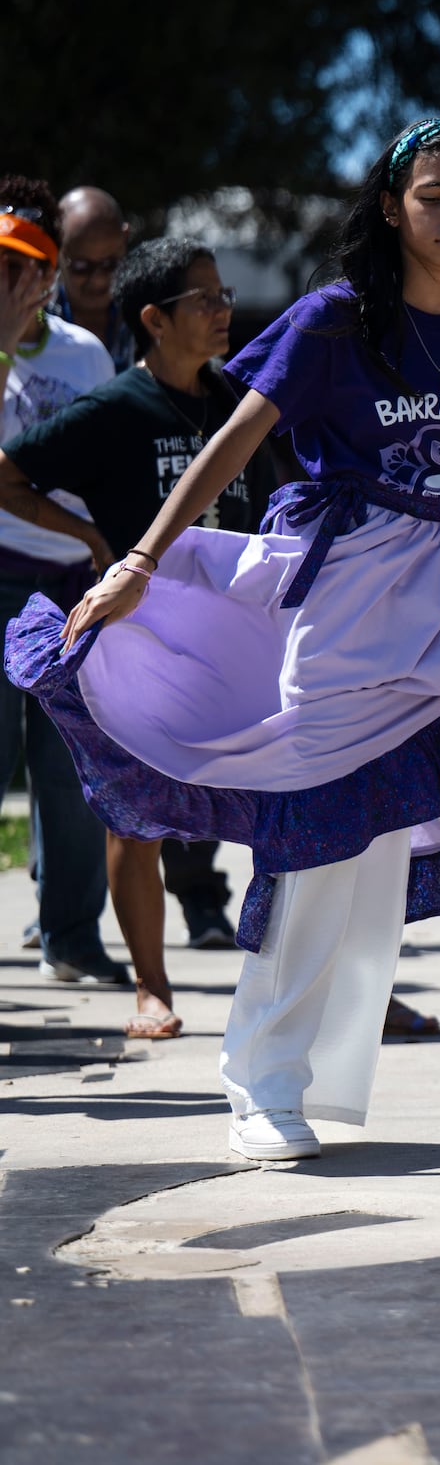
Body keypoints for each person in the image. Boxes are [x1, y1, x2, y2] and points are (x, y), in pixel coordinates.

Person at [7, 114, 440, 1163]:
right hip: (353, 608)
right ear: (390, 206)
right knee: (327, 851)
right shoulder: (336, 321)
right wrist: (142, 558)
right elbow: (237, 436)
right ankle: (265, 1084)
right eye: (434, 197)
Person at [0, 237, 281, 1035]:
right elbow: (8, 473)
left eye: (225, 295)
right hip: (143, 646)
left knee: (298, 809)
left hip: (243, 640)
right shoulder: (117, 408)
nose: (223, 310)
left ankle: (332, 987)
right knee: (136, 818)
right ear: (155, 319)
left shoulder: (240, 403)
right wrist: (92, 540)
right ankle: (152, 989)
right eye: (205, 298)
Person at [0, 177, 118, 985]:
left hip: (69, 581)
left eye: (24, 266)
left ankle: (71, 935)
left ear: (49, 275)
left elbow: (101, 462)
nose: (9, 279)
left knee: (72, 766)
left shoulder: (86, 355)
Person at [51, 187, 134, 370]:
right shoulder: (30, 319)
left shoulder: (150, 313)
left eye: (110, 264)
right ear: (56, 248)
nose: (98, 280)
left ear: (125, 238)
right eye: (81, 267)